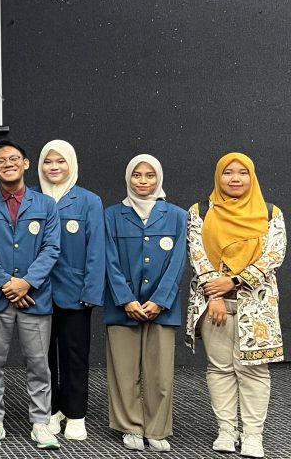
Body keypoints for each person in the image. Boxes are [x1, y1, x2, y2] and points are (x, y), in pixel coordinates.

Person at [185, 153, 284, 458]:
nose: (236, 178)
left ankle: (253, 436)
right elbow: (197, 253)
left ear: (252, 177)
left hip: (255, 305)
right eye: (228, 173)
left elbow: (274, 254)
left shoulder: (269, 213)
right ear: (219, 176)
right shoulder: (200, 211)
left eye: (243, 172)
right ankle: (226, 431)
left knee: (254, 370)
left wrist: (235, 282)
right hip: (212, 304)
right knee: (220, 369)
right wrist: (215, 294)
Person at [0, 140, 61, 450]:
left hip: (36, 298)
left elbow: (52, 248)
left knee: (38, 363)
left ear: (25, 163)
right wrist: (8, 284)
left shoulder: (46, 205)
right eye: (1, 160)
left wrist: (27, 283)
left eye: (14, 158)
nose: (8, 163)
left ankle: (41, 423)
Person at [103, 154, 186, 452]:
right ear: (128, 178)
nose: (143, 181)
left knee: (159, 372)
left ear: (158, 179)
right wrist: (125, 298)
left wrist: (160, 301)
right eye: (137, 175)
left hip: (161, 308)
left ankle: (157, 427)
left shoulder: (177, 215)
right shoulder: (111, 214)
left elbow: (178, 262)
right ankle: (130, 426)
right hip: (122, 306)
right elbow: (109, 260)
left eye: (149, 175)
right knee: (124, 371)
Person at [36, 140, 105, 441]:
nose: (54, 167)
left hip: (76, 293)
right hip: (38, 292)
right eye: (48, 161)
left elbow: (96, 249)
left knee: (74, 355)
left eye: (60, 161)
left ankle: (76, 414)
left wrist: (91, 291)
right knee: (42, 357)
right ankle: (52, 411)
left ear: (71, 164)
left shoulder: (89, 201)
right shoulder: (33, 200)